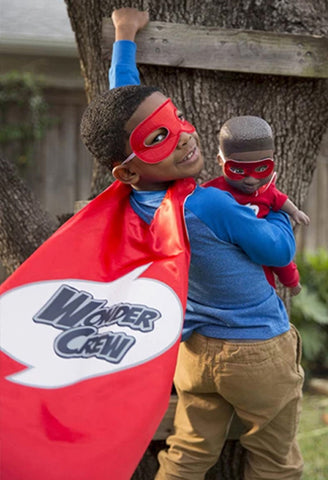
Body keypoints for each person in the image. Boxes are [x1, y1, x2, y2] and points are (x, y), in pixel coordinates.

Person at [83, 8, 304, 479]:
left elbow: (125, 104)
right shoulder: (210, 207)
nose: (184, 135)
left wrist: (125, 37)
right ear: (128, 167)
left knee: (186, 455)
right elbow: (278, 253)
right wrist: (277, 210)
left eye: (177, 118)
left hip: (195, 353)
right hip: (256, 350)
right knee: (274, 460)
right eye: (161, 136)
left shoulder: (129, 200)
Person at [204, 115, 310, 296]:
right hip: (225, 265)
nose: (251, 180)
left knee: (280, 264)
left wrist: (295, 212)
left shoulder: (266, 191)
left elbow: (280, 200)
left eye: (261, 169)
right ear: (221, 161)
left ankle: (292, 283)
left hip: (261, 270)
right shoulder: (211, 192)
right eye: (238, 170)